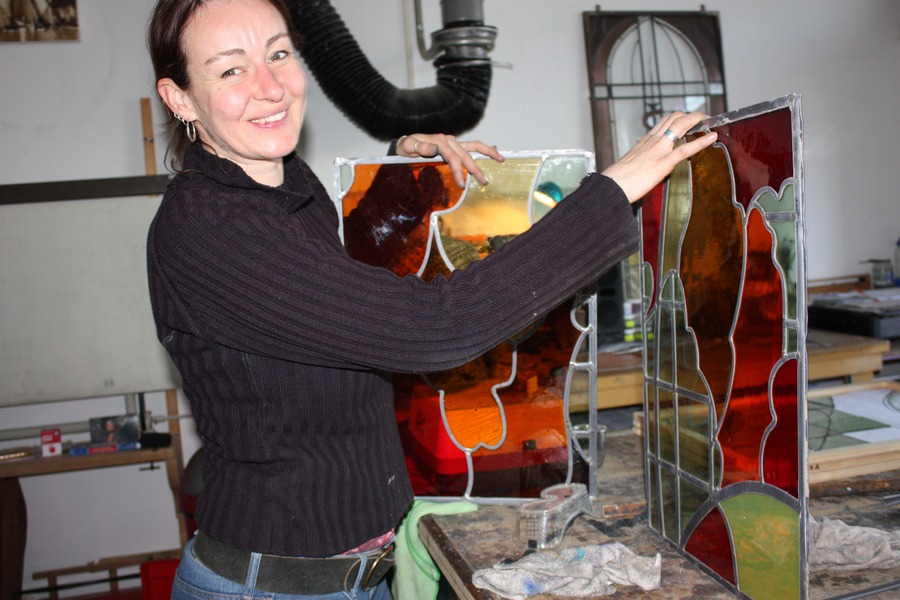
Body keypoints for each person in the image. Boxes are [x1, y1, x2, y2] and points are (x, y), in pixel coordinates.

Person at [145, 0, 717, 598]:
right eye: (231, 69)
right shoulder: (209, 230)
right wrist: (611, 192)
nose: (270, 87)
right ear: (180, 97)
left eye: (279, 53)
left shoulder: (286, 185)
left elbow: (330, 293)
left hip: (352, 572)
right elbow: (437, 328)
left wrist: (400, 178)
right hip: (275, 586)